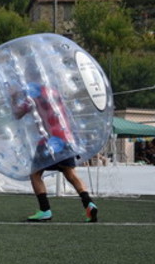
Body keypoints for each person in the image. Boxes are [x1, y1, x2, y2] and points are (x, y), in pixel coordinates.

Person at [11, 83, 98, 223]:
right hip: (66, 138)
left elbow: (16, 114)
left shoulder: (32, 96)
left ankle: (45, 210)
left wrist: (14, 97)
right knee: (70, 173)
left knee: (35, 174)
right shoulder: (54, 92)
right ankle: (88, 203)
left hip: (49, 140)